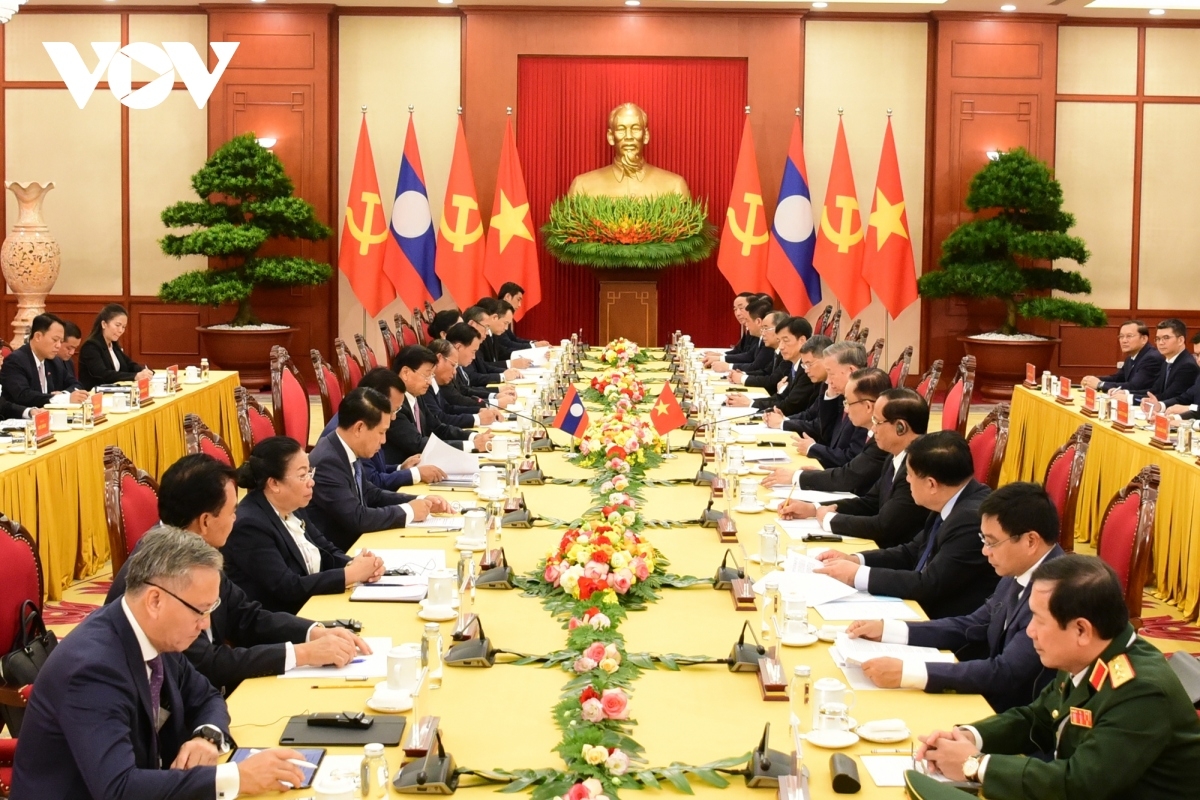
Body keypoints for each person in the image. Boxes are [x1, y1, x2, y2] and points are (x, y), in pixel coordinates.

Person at [12, 527, 308, 799]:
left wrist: (206, 737)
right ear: (155, 600)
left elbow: (206, 695)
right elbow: (118, 788)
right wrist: (234, 778)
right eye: (199, 611)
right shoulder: (92, 670)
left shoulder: (154, 631)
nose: (205, 624)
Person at [907, 556, 1200, 799]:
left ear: (1081, 630)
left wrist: (976, 766)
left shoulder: (1141, 692)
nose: (1030, 631)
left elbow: (1080, 784)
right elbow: (1038, 718)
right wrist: (970, 737)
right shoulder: (1089, 653)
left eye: (1039, 619)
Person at [105, 454, 372, 693]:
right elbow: (207, 664)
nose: (237, 518)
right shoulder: (163, 572)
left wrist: (313, 632)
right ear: (206, 521)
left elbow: (246, 615)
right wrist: (301, 654)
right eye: (232, 511)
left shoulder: (196, 549)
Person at [848, 481, 1065, 712]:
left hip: (1018, 717)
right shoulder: (1021, 569)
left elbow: (1006, 672)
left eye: (992, 543)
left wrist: (910, 673)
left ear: (1030, 541)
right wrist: (888, 630)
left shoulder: (1056, 592)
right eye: (984, 541)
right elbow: (972, 624)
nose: (985, 551)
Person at [815, 431, 997, 620]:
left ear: (931, 484)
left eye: (909, 474)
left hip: (943, 622)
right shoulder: (950, 497)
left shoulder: (971, 520)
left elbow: (929, 585)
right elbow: (912, 552)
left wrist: (857, 575)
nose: (907, 480)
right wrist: (856, 560)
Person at [221, 436, 385, 614]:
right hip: (286, 619)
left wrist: (359, 565)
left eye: (310, 472)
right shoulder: (249, 526)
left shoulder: (292, 505)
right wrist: (350, 574)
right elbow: (288, 587)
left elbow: (325, 549)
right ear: (274, 483)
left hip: (315, 604)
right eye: (302, 475)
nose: (311, 481)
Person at [781, 375, 927, 547]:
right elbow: (869, 503)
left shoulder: (918, 469)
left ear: (900, 427)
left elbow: (883, 527)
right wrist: (813, 509)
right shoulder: (895, 456)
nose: (873, 429)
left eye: (877, 422)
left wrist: (830, 519)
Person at [307, 386, 452, 549]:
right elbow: (357, 518)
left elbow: (370, 493)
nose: (383, 441)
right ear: (359, 428)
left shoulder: (345, 447)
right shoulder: (328, 461)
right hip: (342, 553)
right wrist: (408, 512)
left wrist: (419, 500)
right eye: (381, 432)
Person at [320, 367, 446, 490]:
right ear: (374, 400)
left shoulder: (365, 419)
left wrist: (401, 468)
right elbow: (372, 482)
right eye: (393, 410)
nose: (394, 417)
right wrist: (416, 474)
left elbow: (374, 469)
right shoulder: (353, 431)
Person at [384, 345, 493, 463]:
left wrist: (473, 437)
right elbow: (418, 444)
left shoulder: (416, 397)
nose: (430, 382)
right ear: (406, 373)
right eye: (426, 375)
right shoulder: (394, 406)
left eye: (432, 375)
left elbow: (438, 428)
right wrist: (471, 446)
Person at [785, 342, 870, 468]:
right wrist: (830, 396)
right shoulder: (842, 394)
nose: (828, 380)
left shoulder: (864, 404)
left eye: (831, 373)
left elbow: (851, 458)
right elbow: (826, 435)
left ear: (851, 371)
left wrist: (814, 448)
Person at [725, 316, 817, 416]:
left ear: (802, 340)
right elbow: (780, 398)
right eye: (779, 341)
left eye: (785, 341)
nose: (781, 346)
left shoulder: (807, 369)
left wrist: (751, 403)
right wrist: (749, 401)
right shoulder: (795, 365)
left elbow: (790, 406)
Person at [0, 313, 87, 407]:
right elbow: (23, 395)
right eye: (55, 340)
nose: (58, 345)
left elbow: (76, 384)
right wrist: (62, 399)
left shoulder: (55, 361)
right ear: (38, 336)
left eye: (61, 342)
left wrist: (63, 394)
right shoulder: (16, 361)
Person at [77, 303, 154, 389]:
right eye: (117, 325)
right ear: (104, 324)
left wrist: (144, 371)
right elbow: (103, 374)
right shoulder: (91, 347)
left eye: (123, 327)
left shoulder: (113, 345)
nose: (121, 330)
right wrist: (135, 376)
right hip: (96, 396)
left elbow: (129, 365)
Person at [428, 339, 504, 425]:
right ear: (439, 359)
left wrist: (479, 410)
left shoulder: (437, 380)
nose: (454, 372)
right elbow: (441, 418)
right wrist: (477, 419)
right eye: (453, 365)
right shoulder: (425, 386)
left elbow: (448, 408)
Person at [1080, 320, 1163, 395]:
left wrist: (1100, 384)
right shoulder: (1131, 356)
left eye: (1129, 336)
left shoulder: (1152, 358)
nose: (1124, 340)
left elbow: (1134, 386)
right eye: (1121, 336)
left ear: (1144, 339)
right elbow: (1118, 378)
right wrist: (1093, 380)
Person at [446, 322, 517, 405]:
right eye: (473, 352)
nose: (474, 357)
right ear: (459, 347)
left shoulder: (457, 365)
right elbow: (457, 400)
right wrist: (494, 403)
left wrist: (495, 395)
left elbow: (465, 390)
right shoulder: (445, 369)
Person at [1143, 318, 1199, 406]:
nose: (1160, 343)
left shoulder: (1188, 365)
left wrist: (1130, 398)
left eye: (1166, 338)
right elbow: (1154, 390)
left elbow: (1169, 396)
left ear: (1180, 340)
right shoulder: (1167, 362)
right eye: (1158, 338)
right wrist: (1127, 394)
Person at [711, 299, 774, 374]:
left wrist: (729, 367)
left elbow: (756, 366)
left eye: (747, 321)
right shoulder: (759, 337)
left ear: (758, 321)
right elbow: (750, 355)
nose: (746, 325)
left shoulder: (769, 341)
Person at [729, 310, 789, 387]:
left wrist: (742, 378)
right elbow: (766, 372)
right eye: (762, 329)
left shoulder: (787, 354)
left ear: (780, 329)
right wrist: (742, 374)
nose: (763, 333)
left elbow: (772, 380)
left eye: (766, 329)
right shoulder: (777, 351)